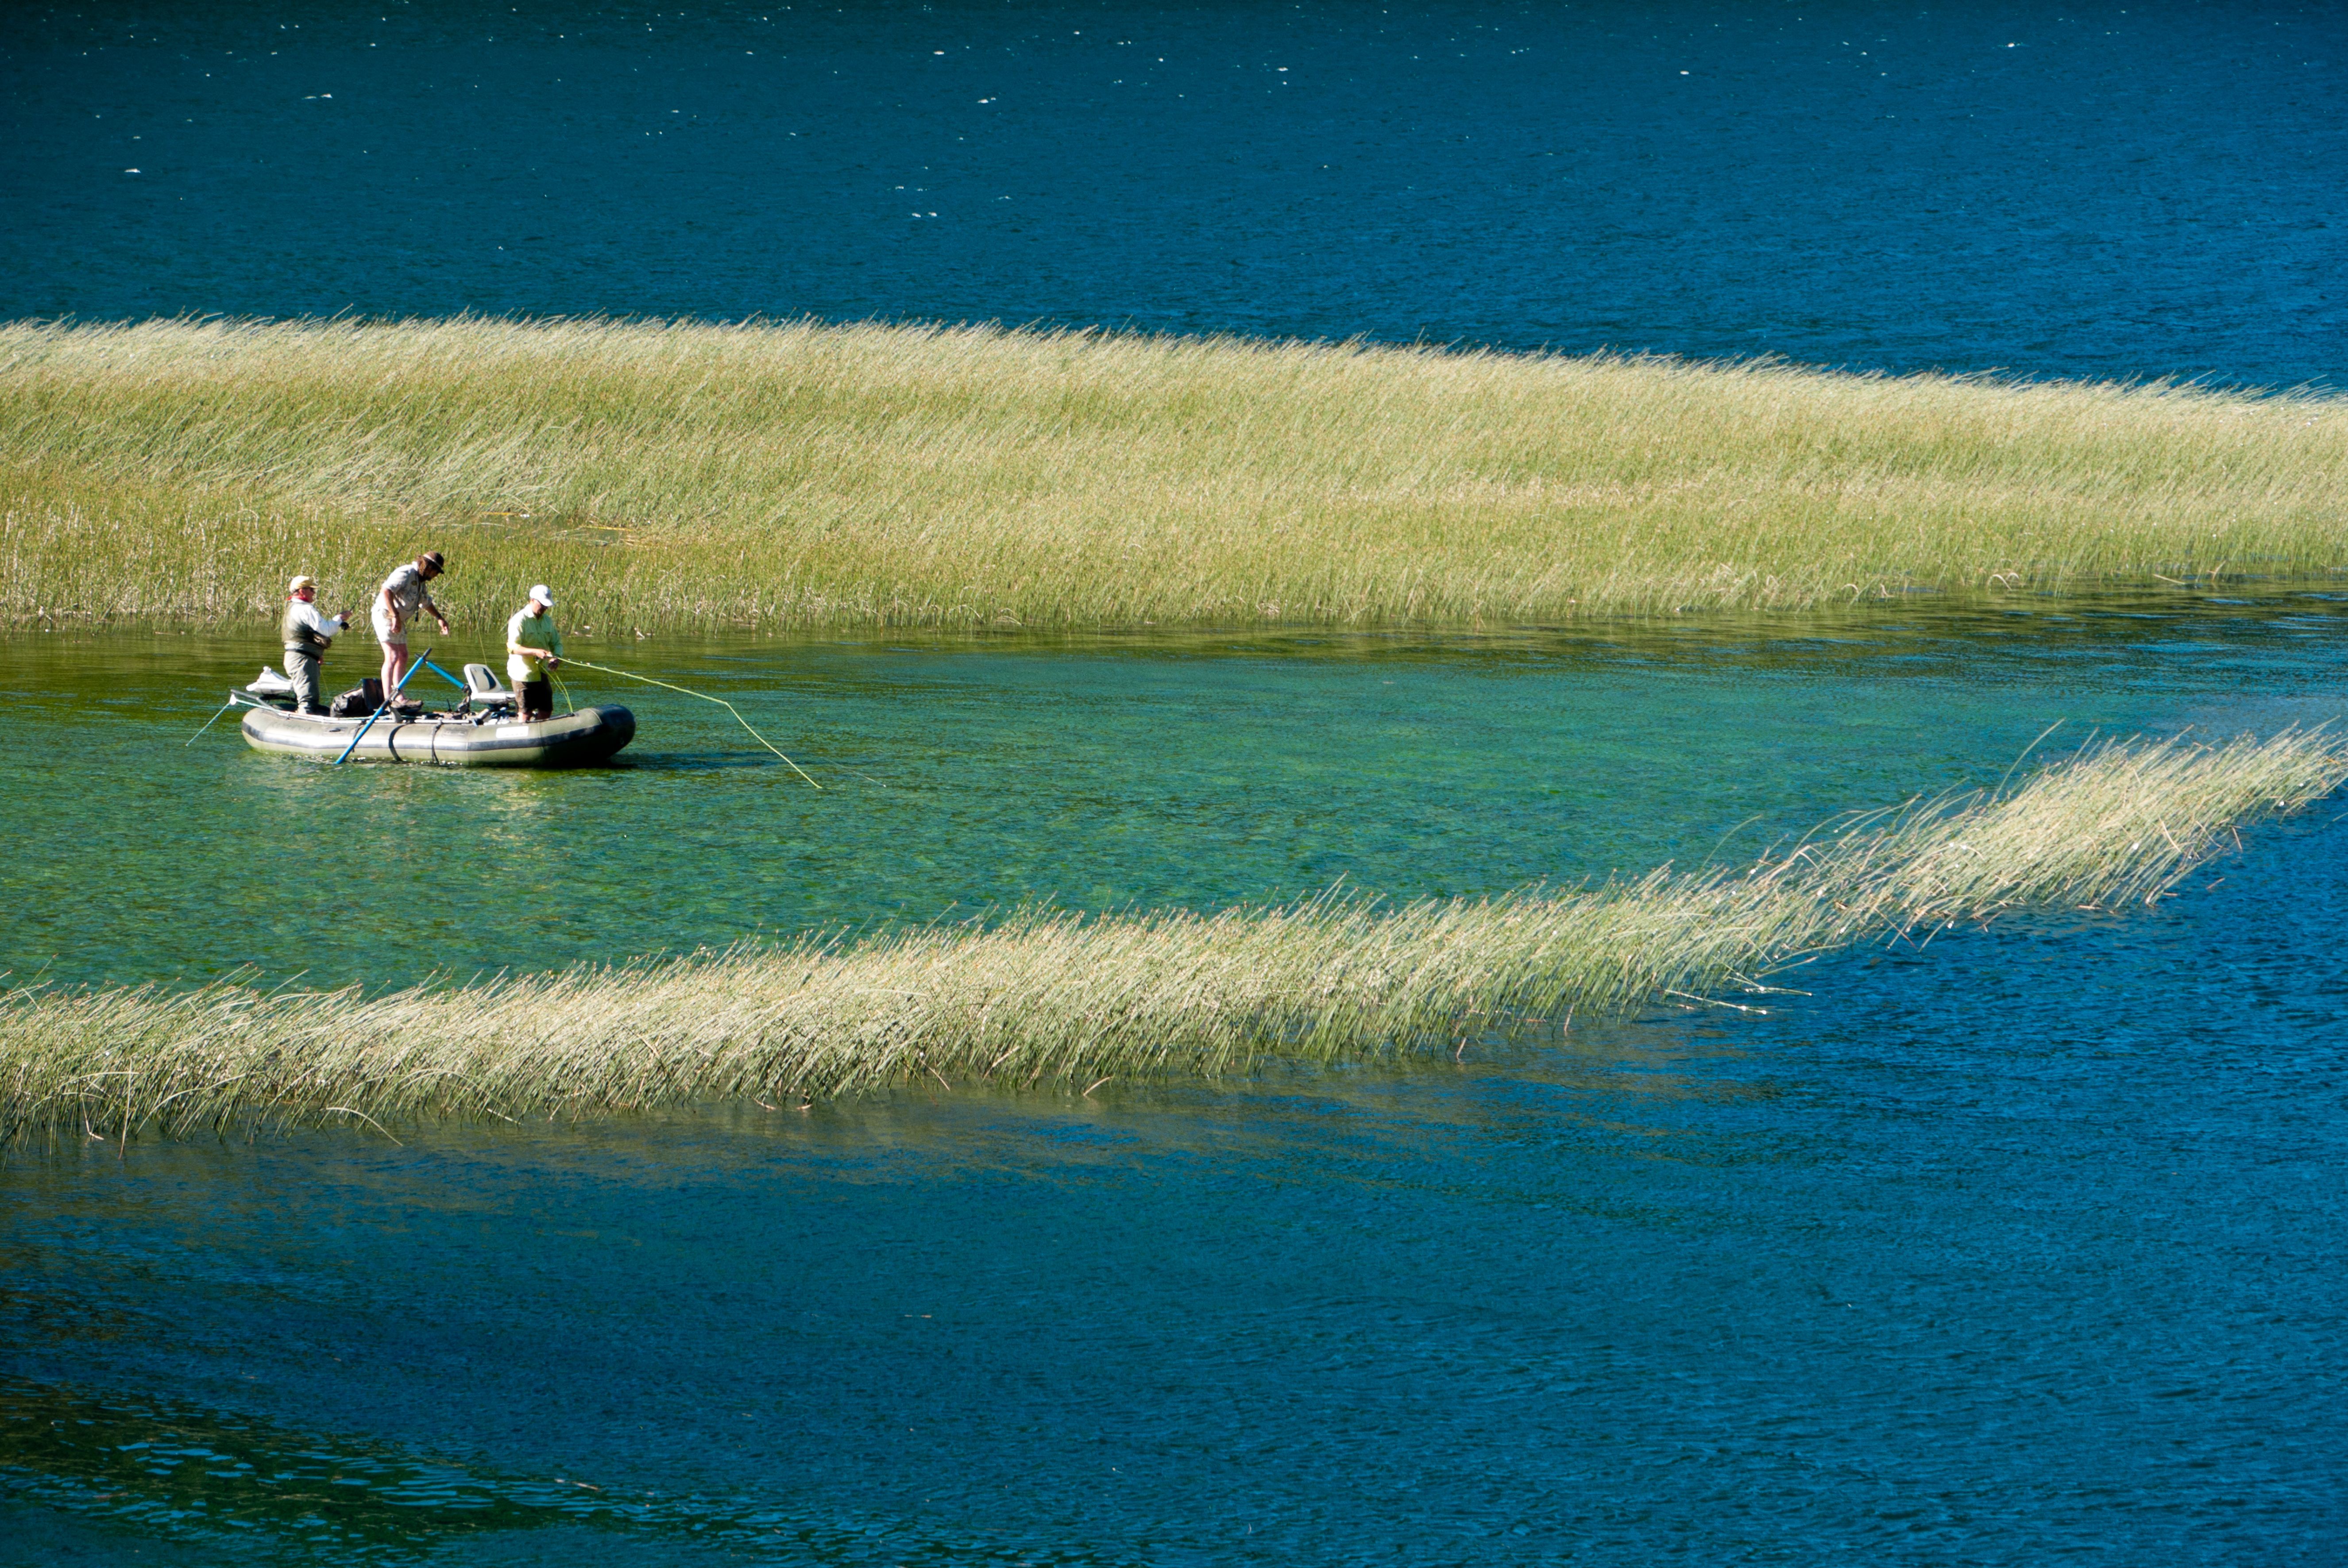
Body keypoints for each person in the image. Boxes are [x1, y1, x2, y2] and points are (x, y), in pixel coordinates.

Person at [373, 550, 451, 703]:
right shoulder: (406, 572)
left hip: (398, 619)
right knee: (392, 656)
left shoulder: (421, 582)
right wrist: (394, 615)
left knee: (403, 655)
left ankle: (399, 695)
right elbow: (386, 590)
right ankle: (388, 699)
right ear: (428, 567)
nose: (435, 576)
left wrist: (439, 618)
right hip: (385, 615)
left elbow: (425, 602)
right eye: (435, 572)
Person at [280, 575, 349, 714]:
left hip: (301, 657)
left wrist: (315, 653)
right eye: (311, 589)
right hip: (302, 660)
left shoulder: (293, 607)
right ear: (302, 591)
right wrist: (340, 618)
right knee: (307, 700)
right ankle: (303, 723)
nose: (314, 593)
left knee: (308, 696)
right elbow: (327, 630)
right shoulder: (305, 609)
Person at [504, 584, 565, 722]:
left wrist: (557, 658)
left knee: (546, 710)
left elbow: (557, 643)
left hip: (541, 671)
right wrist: (535, 652)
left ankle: (539, 735)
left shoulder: (548, 621)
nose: (545, 608)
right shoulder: (519, 620)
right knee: (526, 711)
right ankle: (523, 738)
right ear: (532, 600)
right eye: (542, 604)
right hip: (522, 674)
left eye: (547, 605)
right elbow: (513, 648)